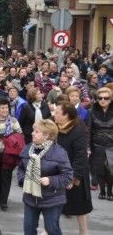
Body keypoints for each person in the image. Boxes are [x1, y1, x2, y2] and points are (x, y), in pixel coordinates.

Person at [18, 119, 73, 235]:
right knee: (28, 229)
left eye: (36, 131)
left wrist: (50, 180)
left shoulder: (59, 153)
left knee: (52, 229)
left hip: (52, 198)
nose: (32, 133)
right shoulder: (27, 149)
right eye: (33, 130)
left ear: (46, 135)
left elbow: (68, 176)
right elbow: (21, 168)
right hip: (30, 197)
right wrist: (23, 180)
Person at [54, 101, 93, 234]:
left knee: (80, 208)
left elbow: (81, 157)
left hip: (75, 173)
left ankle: (84, 232)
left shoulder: (79, 129)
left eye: (58, 113)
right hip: (59, 171)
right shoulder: (55, 126)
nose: (55, 114)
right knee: (54, 205)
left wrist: (73, 177)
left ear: (66, 115)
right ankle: (49, 230)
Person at [0, 97, 22, 211]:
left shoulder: (13, 121)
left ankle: (4, 201)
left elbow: (19, 135)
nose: (5, 110)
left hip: (9, 154)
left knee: (6, 176)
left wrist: (12, 141)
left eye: (6, 107)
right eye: (2, 108)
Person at [88, 86, 113, 200]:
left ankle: (110, 191)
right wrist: (87, 147)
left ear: (110, 99)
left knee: (110, 169)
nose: (103, 100)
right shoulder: (92, 111)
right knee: (100, 169)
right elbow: (88, 130)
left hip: (111, 144)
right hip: (96, 144)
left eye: (106, 98)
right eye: (100, 98)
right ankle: (102, 191)